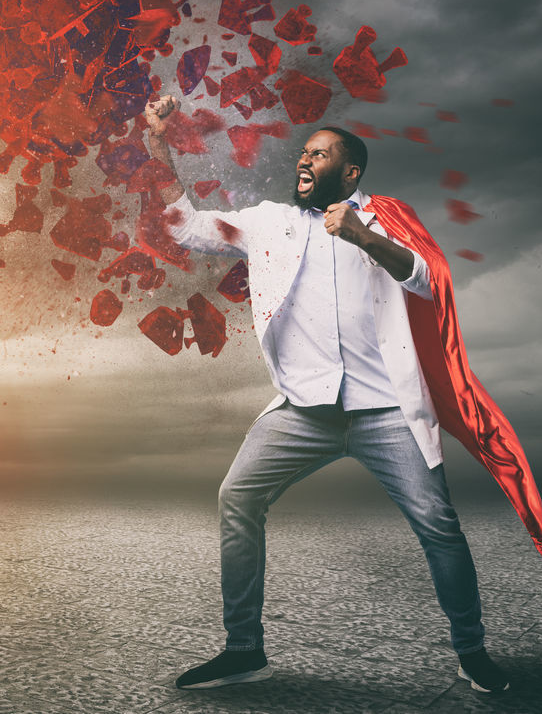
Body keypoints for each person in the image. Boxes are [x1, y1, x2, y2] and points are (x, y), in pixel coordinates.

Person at [142, 94, 511, 695]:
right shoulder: (269, 222)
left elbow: (426, 280)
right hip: (301, 413)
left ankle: (472, 652)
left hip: (386, 412)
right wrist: (158, 146)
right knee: (237, 498)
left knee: (439, 526)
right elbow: (184, 226)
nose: (304, 162)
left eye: (320, 154)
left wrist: (364, 237)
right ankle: (244, 650)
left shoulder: (389, 221)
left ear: (351, 172)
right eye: (303, 154)